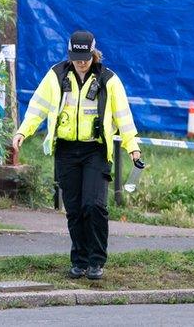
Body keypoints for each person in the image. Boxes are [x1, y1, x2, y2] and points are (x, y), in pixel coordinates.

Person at [13, 30, 141, 281]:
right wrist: (22, 132)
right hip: (66, 151)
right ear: (69, 54)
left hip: (96, 150)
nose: (81, 62)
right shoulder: (56, 75)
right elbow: (37, 107)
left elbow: (123, 117)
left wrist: (132, 146)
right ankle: (79, 260)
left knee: (93, 205)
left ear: (93, 53)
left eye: (85, 57)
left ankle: (96, 260)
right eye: (76, 57)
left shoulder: (109, 80)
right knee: (73, 208)